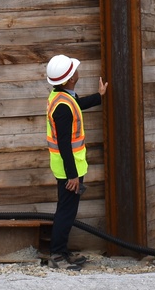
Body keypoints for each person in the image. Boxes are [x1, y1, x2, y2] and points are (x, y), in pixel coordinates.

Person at [44, 54, 107, 270]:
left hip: (69, 167)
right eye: (75, 69)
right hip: (68, 170)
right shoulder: (63, 107)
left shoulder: (62, 97)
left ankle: (61, 251)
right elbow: (63, 144)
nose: (78, 71)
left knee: (67, 210)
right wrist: (72, 175)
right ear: (70, 78)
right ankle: (57, 256)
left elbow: (77, 105)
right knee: (66, 212)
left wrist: (99, 96)